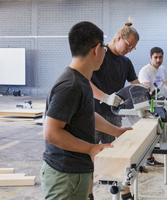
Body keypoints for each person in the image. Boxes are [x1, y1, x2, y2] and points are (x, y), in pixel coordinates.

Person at [40, 21, 132, 200]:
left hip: (75, 172)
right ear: (97, 49)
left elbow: (87, 115)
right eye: (105, 48)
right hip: (65, 175)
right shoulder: (70, 85)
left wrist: (117, 131)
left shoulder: (81, 81)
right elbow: (51, 132)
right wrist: (91, 148)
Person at [89, 21, 143, 200]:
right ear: (119, 37)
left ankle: (123, 192)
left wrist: (147, 96)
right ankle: (88, 194)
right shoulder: (98, 54)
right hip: (93, 114)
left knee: (117, 154)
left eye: (133, 48)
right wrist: (104, 97)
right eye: (129, 46)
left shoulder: (126, 62)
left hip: (114, 116)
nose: (129, 50)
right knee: (90, 155)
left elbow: (136, 85)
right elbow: (84, 80)